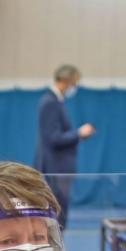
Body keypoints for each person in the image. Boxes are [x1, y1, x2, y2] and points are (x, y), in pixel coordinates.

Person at [34, 64, 95, 230]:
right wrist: (79, 134)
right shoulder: (49, 102)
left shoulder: (56, 102)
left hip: (59, 169)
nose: (74, 87)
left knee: (59, 218)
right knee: (56, 218)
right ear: (65, 80)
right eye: (74, 83)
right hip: (55, 169)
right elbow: (53, 138)